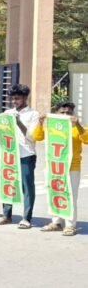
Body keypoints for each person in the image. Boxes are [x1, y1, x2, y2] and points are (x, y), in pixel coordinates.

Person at [35, 101, 88, 236]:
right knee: (55, 193)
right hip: (54, 166)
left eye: (68, 113)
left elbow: (86, 139)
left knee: (70, 195)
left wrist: (78, 125)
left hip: (72, 167)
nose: (65, 115)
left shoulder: (77, 127)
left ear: (73, 114)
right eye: (62, 112)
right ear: (56, 113)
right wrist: (41, 123)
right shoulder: (51, 127)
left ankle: (70, 225)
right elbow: (37, 137)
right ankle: (56, 222)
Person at [0, 84, 38, 228]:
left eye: (17, 98)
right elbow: (1, 134)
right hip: (10, 154)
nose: (14, 101)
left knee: (27, 187)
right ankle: (6, 215)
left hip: (26, 154)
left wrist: (18, 122)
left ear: (25, 98)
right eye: (13, 98)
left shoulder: (33, 114)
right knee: (8, 182)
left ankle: (27, 218)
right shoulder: (8, 112)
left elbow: (32, 136)